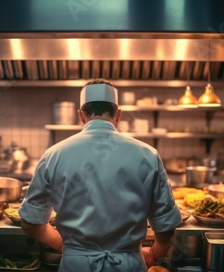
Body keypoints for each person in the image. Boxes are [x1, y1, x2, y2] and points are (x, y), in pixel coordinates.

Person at [19, 78, 182, 272]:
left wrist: (63, 246)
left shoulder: (54, 154)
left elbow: (30, 223)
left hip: (75, 265)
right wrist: (154, 253)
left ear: (81, 116)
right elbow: (166, 229)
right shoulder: (148, 155)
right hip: (129, 265)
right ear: (118, 115)